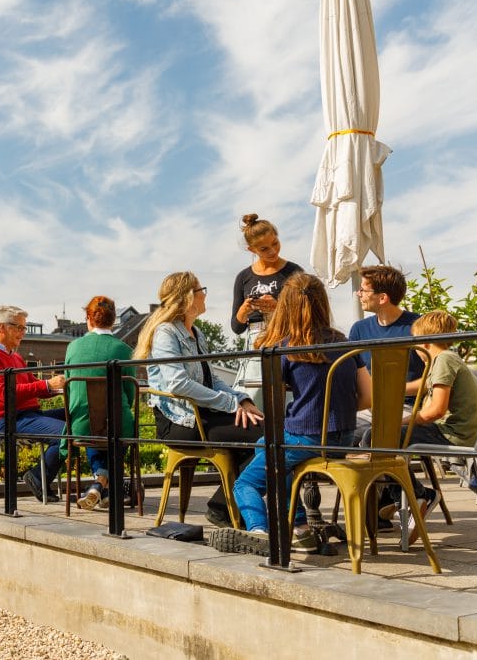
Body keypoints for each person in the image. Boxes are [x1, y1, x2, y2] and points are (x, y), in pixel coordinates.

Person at [211, 273, 371, 555]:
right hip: (343, 439)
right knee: (271, 451)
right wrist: (332, 411)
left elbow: (272, 407)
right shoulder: (344, 343)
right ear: (323, 303)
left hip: (304, 438)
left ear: (286, 306)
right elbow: (368, 396)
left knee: (246, 481)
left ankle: (260, 531)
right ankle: (301, 529)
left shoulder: (284, 349)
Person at [135, 271, 264, 527]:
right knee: (267, 438)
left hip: (200, 413)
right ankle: (224, 507)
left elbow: (210, 379)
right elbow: (178, 383)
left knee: (265, 431)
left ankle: (225, 505)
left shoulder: (197, 333)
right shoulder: (166, 333)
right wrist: (229, 404)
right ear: (187, 297)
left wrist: (241, 399)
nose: (205, 294)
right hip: (180, 422)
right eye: (200, 289)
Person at [380, 310, 477, 544]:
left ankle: (416, 496)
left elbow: (434, 411)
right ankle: (400, 497)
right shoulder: (447, 358)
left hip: (453, 435)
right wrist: (387, 388)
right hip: (463, 432)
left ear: (423, 343)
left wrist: (399, 421)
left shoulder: (443, 361)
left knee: (377, 437)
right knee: (380, 437)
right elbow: (421, 384)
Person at [0, 305, 67, 502]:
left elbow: (34, 386)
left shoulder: (15, 356)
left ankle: (101, 483)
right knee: (67, 432)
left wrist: (60, 388)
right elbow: (4, 394)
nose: (22, 333)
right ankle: (37, 477)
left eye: (24, 328)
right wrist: (47, 385)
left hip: (30, 414)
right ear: (2, 328)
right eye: (18, 327)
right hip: (8, 419)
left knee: (80, 417)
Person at [62, 296, 137, 510]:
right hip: (116, 424)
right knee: (118, 428)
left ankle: (100, 485)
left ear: (88, 318)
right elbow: (129, 393)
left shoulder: (73, 348)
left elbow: (68, 384)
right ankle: (104, 486)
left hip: (81, 425)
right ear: (113, 320)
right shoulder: (123, 349)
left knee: (92, 425)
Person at [230, 214, 304, 405]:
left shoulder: (294, 272)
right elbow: (236, 327)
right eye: (264, 248)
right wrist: (244, 311)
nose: (272, 251)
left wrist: (277, 308)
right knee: (254, 399)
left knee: (286, 399)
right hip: (255, 344)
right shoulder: (243, 277)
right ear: (251, 249)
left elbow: (307, 313)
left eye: (275, 243)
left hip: (287, 339)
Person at [349, 265, 425, 444]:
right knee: (332, 432)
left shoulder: (419, 326)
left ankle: (384, 472)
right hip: (368, 407)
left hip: (407, 407)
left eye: (363, 290)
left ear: (382, 297)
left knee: (370, 436)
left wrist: (392, 390)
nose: (359, 294)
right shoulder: (359, 329)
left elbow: (437, 378)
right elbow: (349, 372)